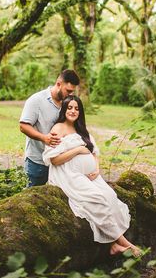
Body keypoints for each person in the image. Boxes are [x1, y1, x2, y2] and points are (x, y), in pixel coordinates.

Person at [43, 95, 140, 256]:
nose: (73, 111)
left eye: (76, 108)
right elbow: (54, 159)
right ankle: (125, 243)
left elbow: (94, 153)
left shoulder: (82, 129)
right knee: (97, 199)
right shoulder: (58, 128)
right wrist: (78, 150)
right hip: (67, 175)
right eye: (70, 107)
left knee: (109, 196)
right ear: (64, 109)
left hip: (89, 176)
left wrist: (96, 168)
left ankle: (113, 245)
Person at [20, 69, 80, 187]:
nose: (70, 95)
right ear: (58, 84)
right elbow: (23, 126)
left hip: (61, 162)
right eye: (68, 91)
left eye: (72, 92)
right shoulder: (36, 100)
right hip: (38, 161)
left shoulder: (67, 104)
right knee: (33, 198)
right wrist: (44, 138)